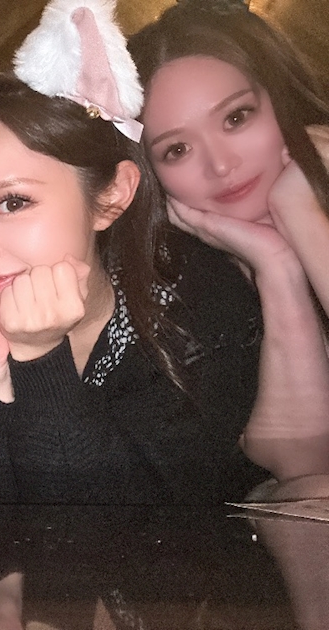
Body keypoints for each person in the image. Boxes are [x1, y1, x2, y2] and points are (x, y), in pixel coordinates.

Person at [0, 0, 270, 503]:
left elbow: (120, 525)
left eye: (14, 202)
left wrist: (38, 361)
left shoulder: (199, 305)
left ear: (112, 196)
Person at [128, 0, 329, 483]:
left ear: (279, 100)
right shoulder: (178, 299)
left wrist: (303, 218)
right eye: (177, 149)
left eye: (236, 118)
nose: (220, 165)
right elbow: (305, 470)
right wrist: (277, 269)